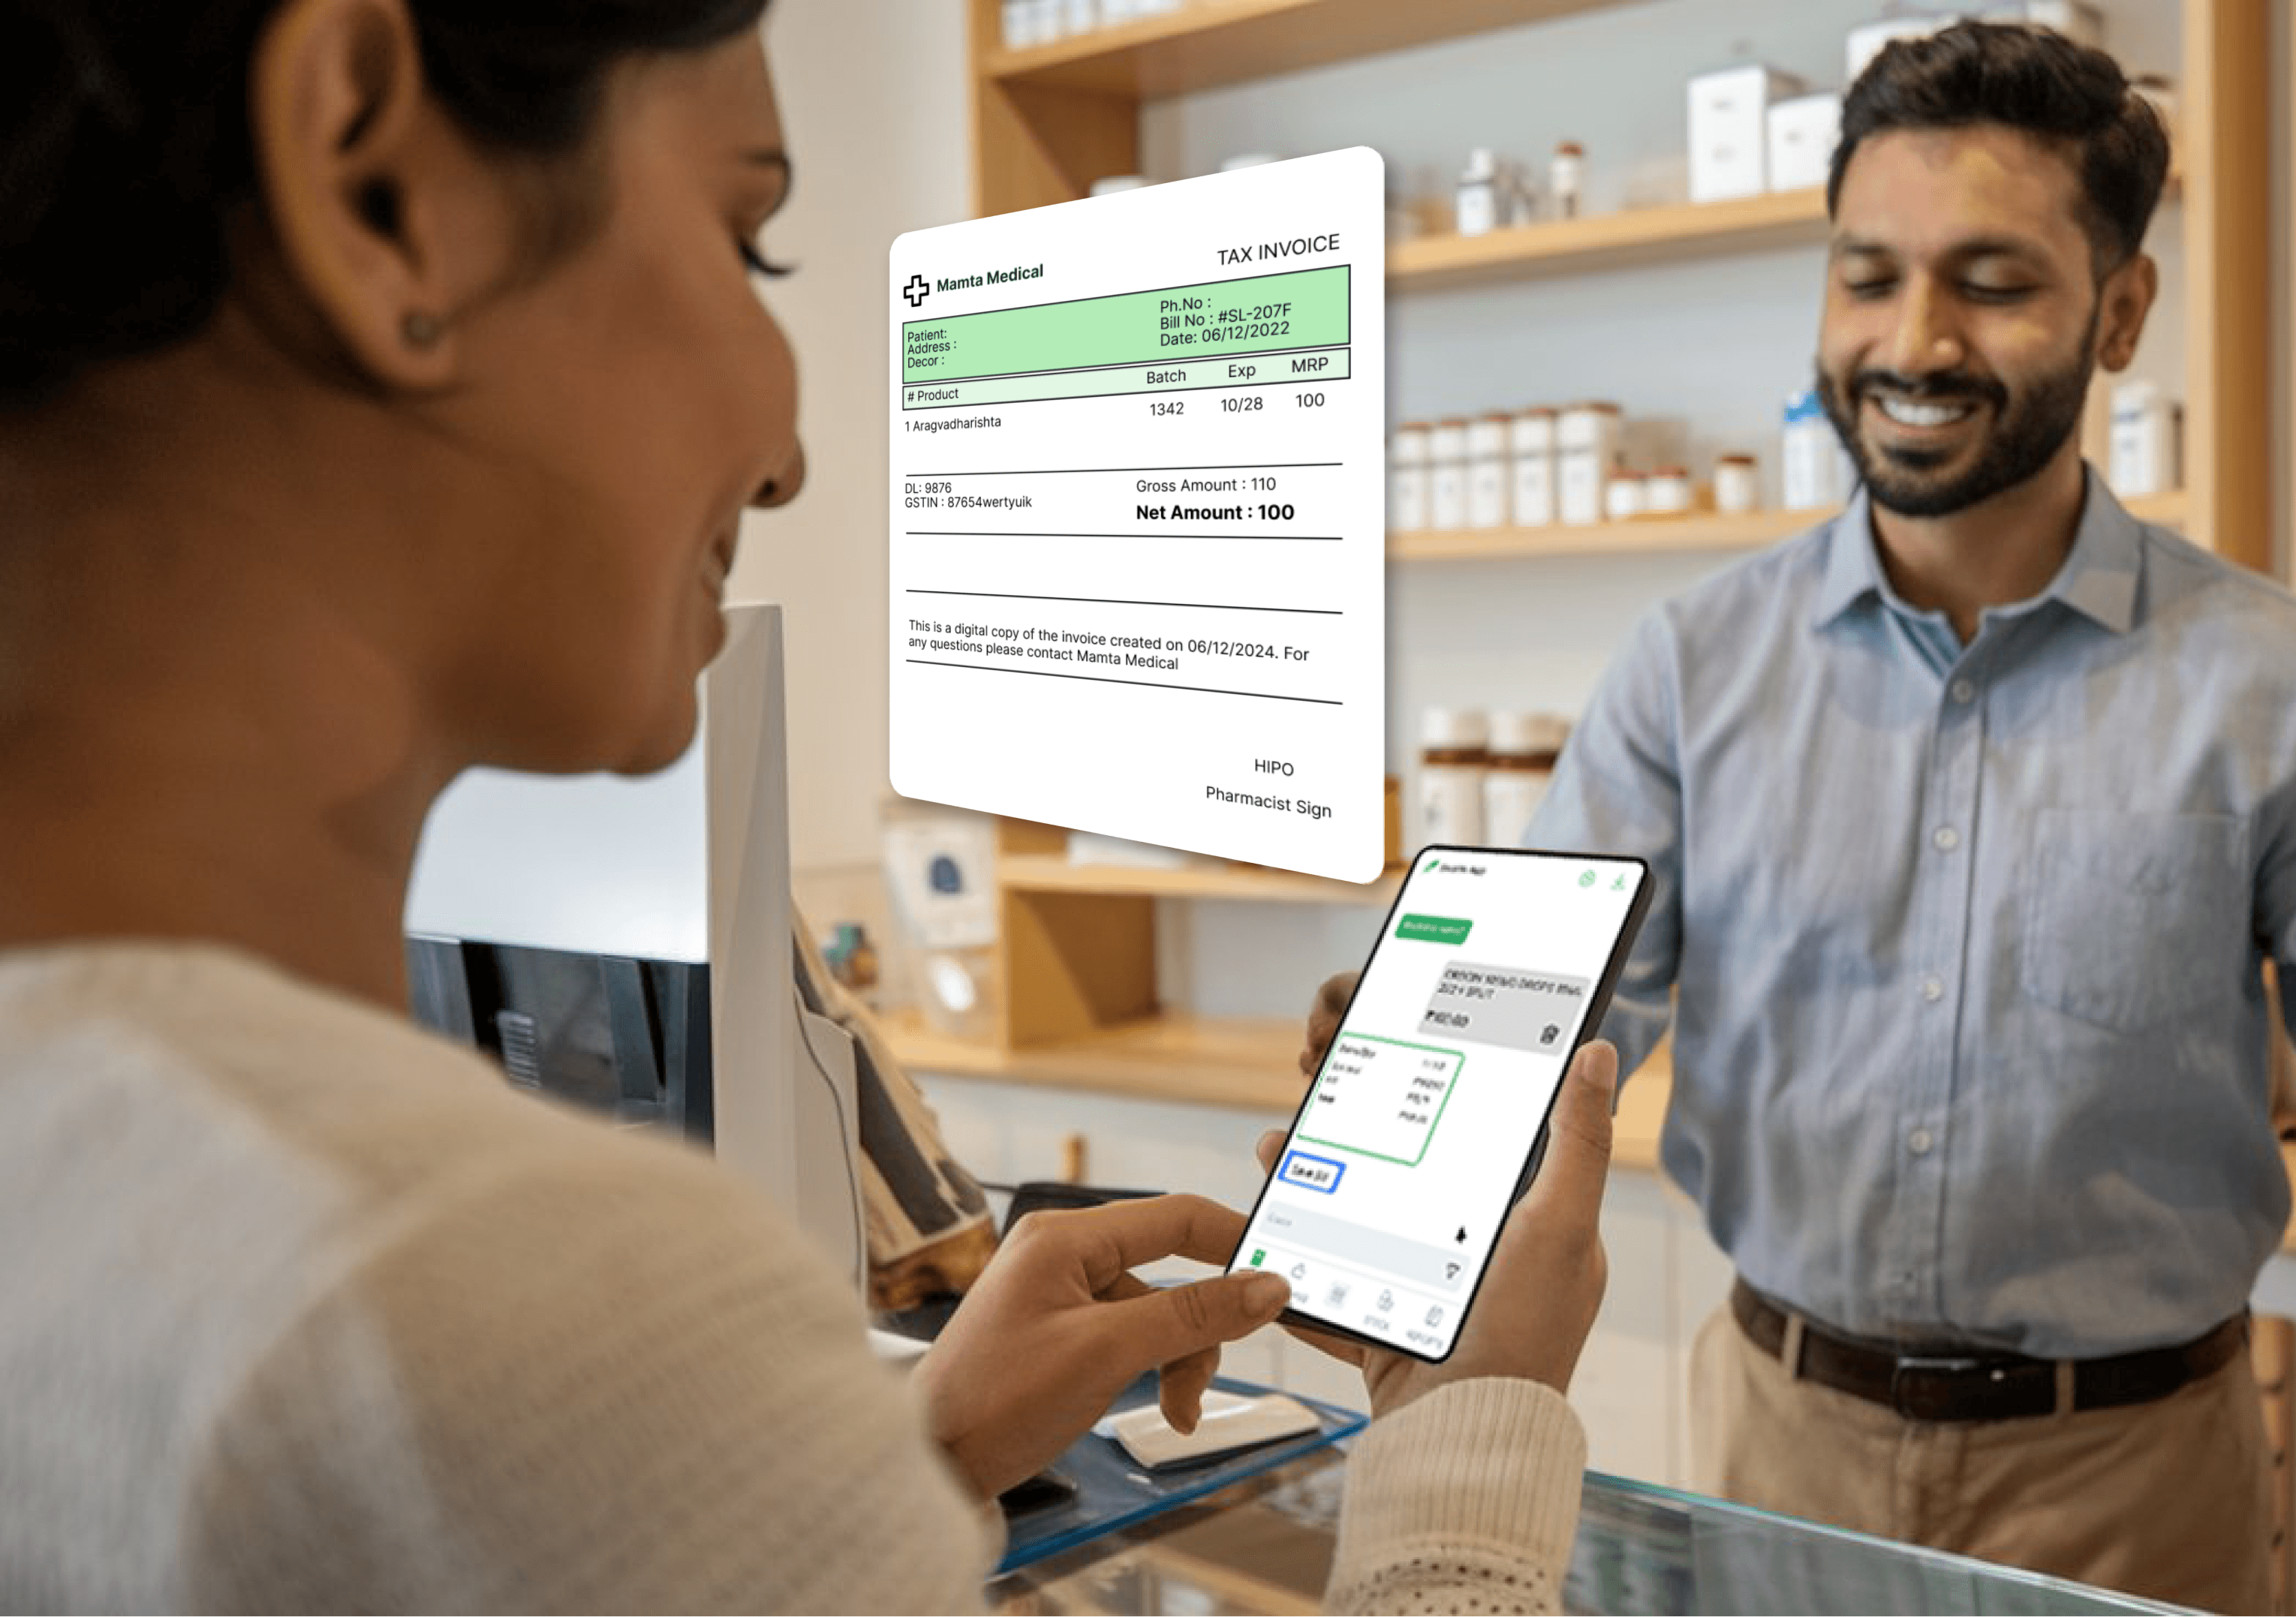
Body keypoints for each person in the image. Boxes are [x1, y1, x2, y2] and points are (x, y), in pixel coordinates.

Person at [0, 2, 1614, 1611]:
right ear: (377, 194)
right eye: (745, 236)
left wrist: (881, 1476)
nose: (786, 456)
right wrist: (1463, 1435)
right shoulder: (461, 1309)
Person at [1304, 22, 2296, 1614]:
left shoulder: (2295, 689)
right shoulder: (1690, 666)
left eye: (1991, 282)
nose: (1912, 339)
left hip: (2134, 1481)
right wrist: (1420, 1098)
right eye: (1868, 277)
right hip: (1778, 1444)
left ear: (2120, 311)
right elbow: (1561, 1027)